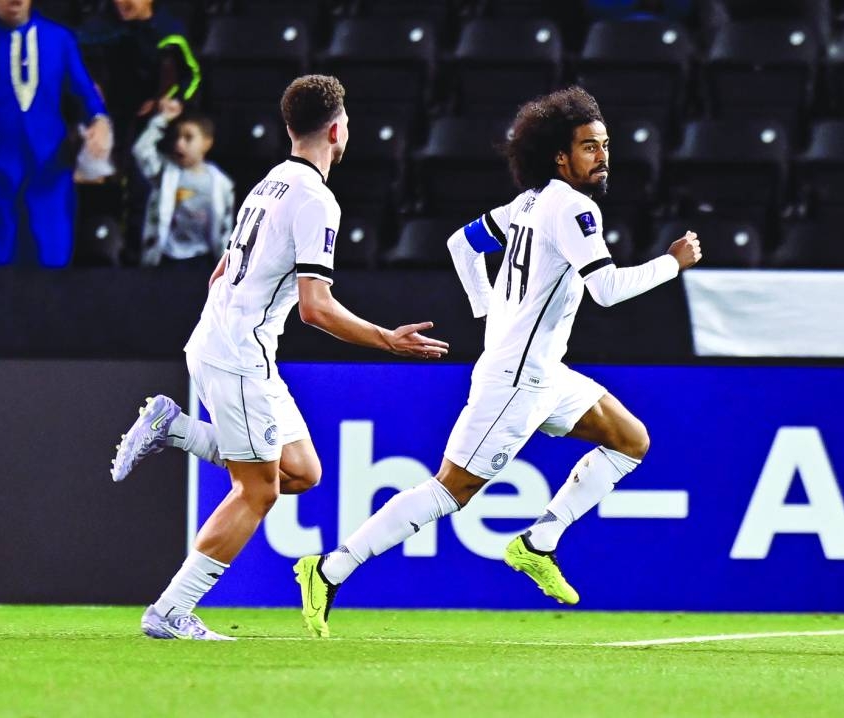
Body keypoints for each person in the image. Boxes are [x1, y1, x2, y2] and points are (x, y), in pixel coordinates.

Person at [293, 87, 702, 638]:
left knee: (631, 440)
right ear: (560, 156)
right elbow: (604, 289)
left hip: (544, 373)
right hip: (514, 380)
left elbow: (461, 243)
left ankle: (538, 544)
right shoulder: (573, 207)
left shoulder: (527, 203)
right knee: (450, 492)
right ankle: (329, 568)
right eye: (588, 147)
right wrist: (671, 264)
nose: (602, 156)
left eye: (605, 145)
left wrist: (490, 313)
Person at [109, 75, 449, 640]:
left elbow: (225, 268)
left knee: (301, 473)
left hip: (232, 344)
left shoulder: (270, 184)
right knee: (259, 488)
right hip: (239, 354)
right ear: (338, 129)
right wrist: (387, 339)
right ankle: (171, 610)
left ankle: (176, 429)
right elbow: (316, 308)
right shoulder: (316, 199)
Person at [0, 0, 112, 267]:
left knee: (47, 262)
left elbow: (85, 93)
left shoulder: (58, 38)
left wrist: (100, 121)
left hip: (44, 174)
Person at [78, 0, 202, 264]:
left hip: (147, 127)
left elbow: (192, 75)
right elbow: (75, 70)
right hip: (102, 121)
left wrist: (173, 100)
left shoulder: (169, 31)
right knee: (98, 194)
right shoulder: (96, 29)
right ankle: (96, 255)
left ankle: (138, 260)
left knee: (140, 191)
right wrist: (90, 93)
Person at [133, 97, 235, 268]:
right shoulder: (165, 173)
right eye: (177, 137)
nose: (179, 143)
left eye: (188, 138)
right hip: (166, 259)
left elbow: (225, 228)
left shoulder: (222, 184)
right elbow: (141, 150)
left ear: (206, 143)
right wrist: (163, 119)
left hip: (202, 259)